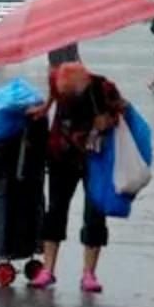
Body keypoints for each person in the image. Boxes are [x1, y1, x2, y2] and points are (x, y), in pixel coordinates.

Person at [28, 62, 126, 293]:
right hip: (61, 155)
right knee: (56, 210)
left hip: (96, 159)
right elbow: (50, 101)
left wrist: (109, 119)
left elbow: (122, 109)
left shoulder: (103, 87)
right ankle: (48, 270)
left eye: (69, 93)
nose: (65, 96)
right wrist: (43, 109)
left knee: (94, 213)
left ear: (80, 83)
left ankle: (89, 274)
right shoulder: (57, 83)